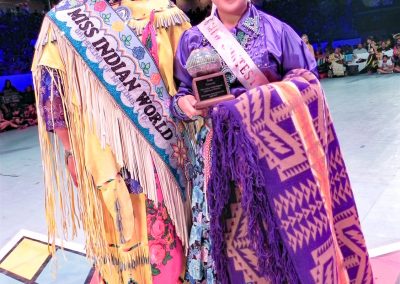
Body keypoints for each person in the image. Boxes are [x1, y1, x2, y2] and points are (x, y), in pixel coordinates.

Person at [172, 0, 372, 283]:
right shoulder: (192, 39)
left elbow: (309, 85)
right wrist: (186, 104)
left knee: (277, 238)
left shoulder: (277, 32)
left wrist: (254, 105)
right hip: (217, 160)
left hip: (273, 160)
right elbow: (179, 94)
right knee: (230, 241)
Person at [31, 0, 192, 283]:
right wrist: (70, 152)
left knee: (167, 239)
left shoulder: (163, 12)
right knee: (118, 236)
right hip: (103, 157)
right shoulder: (66, 21)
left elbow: (191, 77)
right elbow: (52, 96)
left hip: (160, 156)